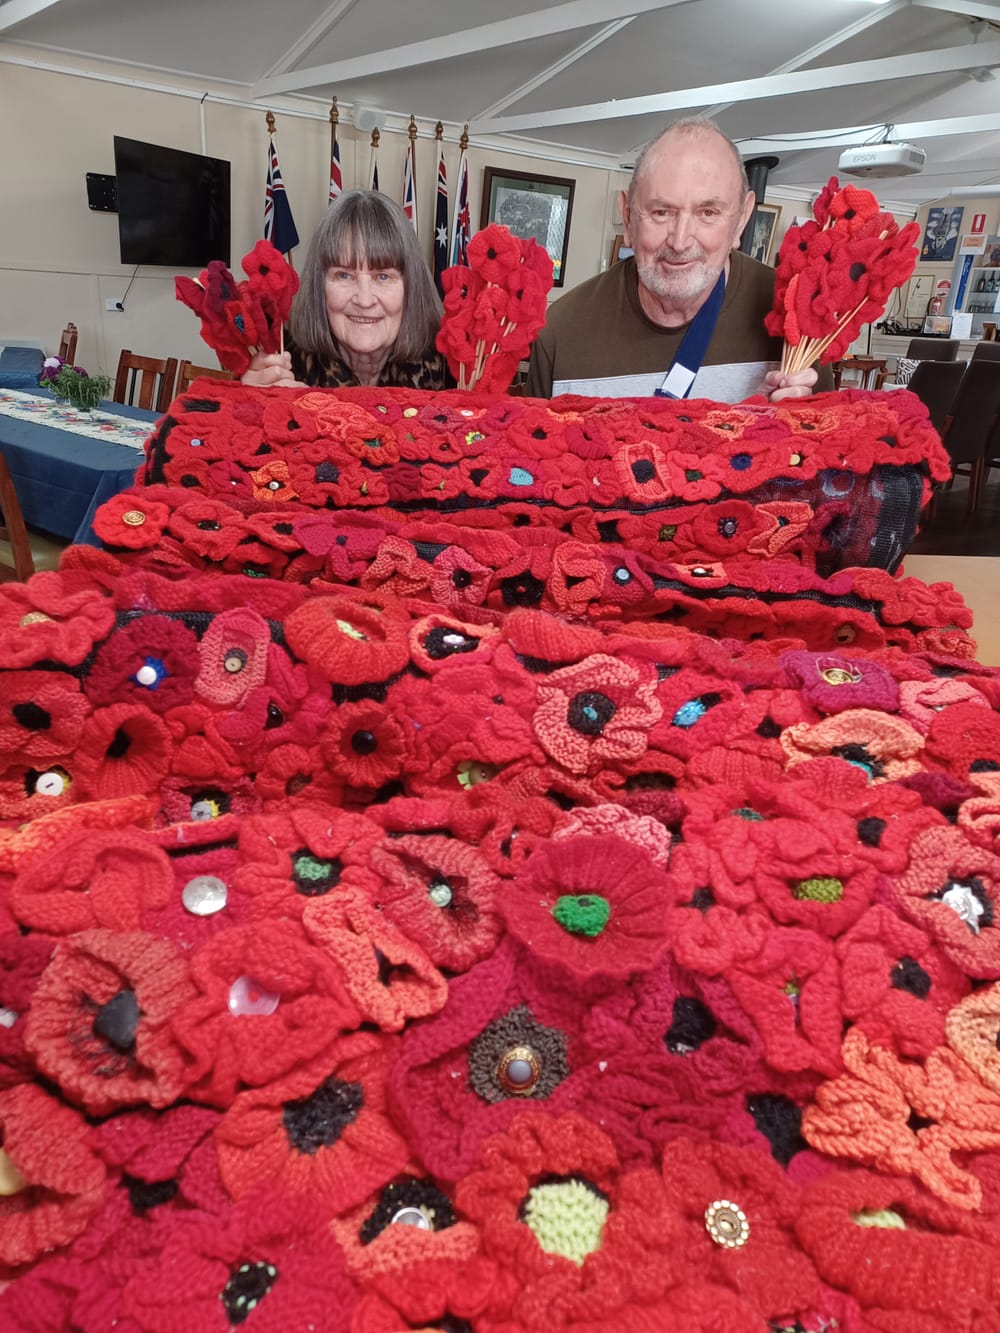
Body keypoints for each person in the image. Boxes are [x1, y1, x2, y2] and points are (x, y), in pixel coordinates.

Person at [526, 117, 829, 403]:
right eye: (661, 212)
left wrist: (788, 426)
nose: (680, 241)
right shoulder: (560, 332)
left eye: (708, 213)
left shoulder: (799, 320)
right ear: (628, 216)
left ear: (742, 219)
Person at [243, 190, 450, 390]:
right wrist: (253, 407)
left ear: (411, 288)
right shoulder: (280, 356)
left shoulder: (453, 369)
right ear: (319, 286)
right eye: (344, 275)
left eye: (383, 276)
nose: (364, 300)